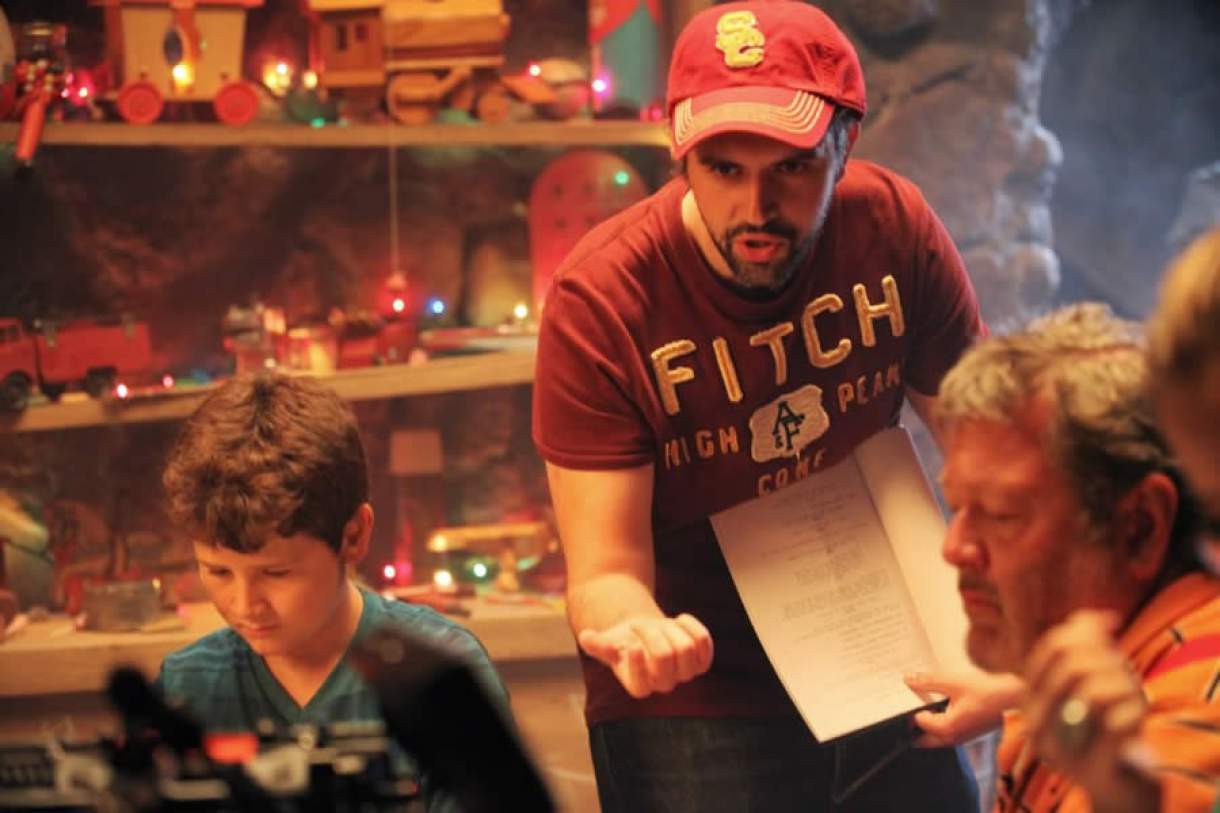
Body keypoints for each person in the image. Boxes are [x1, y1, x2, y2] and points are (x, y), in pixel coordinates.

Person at [532, 1, 984, 809]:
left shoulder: (893, 228)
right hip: (695, 672)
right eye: (723, 170)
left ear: (845, 143)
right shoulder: (603, 300)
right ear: (681, 156)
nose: (755, 209)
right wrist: (637, 628)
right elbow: (605, 572)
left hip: (878, 632)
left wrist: (1005, 614)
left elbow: (992, 451)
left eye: (792, 168)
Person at [157, 373, 510, 812]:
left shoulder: (438, 677)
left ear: (354, 536)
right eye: (219, 572)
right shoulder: (188, 685)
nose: (245, 605)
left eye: (277, 573)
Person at [921, 302, 1220, 813]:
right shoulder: (1092, 679)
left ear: (1140, 527)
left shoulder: (1180, 733)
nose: (954, 548)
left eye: (1002, 514)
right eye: (956, 507)